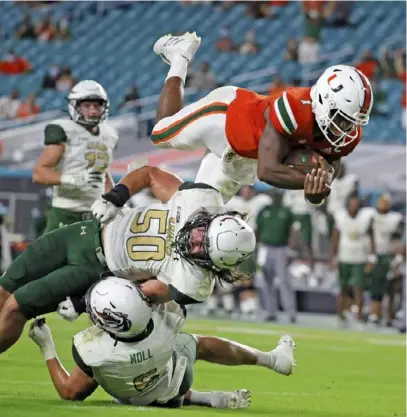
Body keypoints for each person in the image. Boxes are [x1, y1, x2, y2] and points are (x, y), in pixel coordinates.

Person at [0, 166, 255, 355]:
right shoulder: (199, 202)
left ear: (212, 264)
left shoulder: (194, 281)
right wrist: (116, 196)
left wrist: (83, 302)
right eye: (202, 236)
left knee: (15, 307)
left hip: (94, 269)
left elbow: (140, 294)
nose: (194, 243)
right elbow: (149, 174)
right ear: (210, 221)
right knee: (4, 289)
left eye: (202, 250)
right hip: (81, 233)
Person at [151, 32, 373, 204]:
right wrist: (307, 182)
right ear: (325, 100)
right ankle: (180, 56)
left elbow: (323, 180)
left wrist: (315, 193)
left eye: (351, 121)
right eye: (342, 118)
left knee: (199, 213)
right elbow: (267, 171)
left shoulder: (346, 134)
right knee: (160, 133)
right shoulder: (295, 107)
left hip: (244, 159)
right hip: (226, 119)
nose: (346, 128)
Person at [29, 277, 296, 408]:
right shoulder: (168, 317)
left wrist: (46, 345)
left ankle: (204, 398)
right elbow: (164, 288)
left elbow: (69, 393)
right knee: (195, 344)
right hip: (173, 381)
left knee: (105, 376)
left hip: (130, 395)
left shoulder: (92, 351)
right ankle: (272, 360)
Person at [32, 80, 118, 234]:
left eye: (96, 106)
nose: (92, 111)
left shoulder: (109, 134)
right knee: (46, 257)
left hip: (96, 215)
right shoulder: (63, 130)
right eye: (86, 106)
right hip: (66, 212)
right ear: (75, 107)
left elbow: (103, 173)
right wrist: (73, 179)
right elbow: (39, 174)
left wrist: (116, 201)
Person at [330, 194, 376, 326]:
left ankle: (359, 316)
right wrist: (332, 257)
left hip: (360, 258)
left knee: (359, 288)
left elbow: (371, 236)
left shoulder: (365, 218)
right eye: (352, 204)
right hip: (344, 257)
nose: (354, 206)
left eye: (356, 204)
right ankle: (340, 314)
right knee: (343, 287)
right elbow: (335, 237)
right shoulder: (341, 217)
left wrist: (372, 257)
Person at [255, 189, 297, 323]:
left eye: (277, 195)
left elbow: (293, 231)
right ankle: (270, 311)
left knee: (284, 280)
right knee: (266, 280)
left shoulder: (286, 212)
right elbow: (257, 229)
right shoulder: (264, 210)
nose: (275, 197)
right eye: (273, 195)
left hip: (281, 248)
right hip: (265, 248)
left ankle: (291, 312)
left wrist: (291, 250)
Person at [368, 194, 404, 324]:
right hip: (376, 255)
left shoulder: (395, 219)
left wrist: (398, 257)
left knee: (392, 288)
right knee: (376, 286)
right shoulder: (371, 216)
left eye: (386, 202)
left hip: (390, 255)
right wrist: (371, 255)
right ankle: (375, 314)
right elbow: (369, 235)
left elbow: (397, 239)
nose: (383, 204)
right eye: (382, 202)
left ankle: (391, 316)